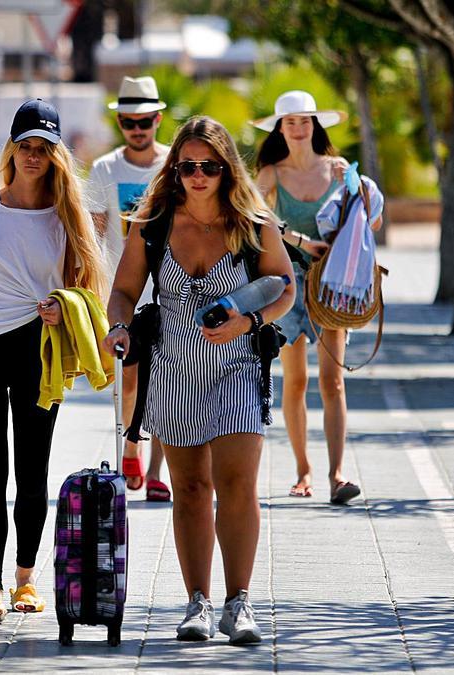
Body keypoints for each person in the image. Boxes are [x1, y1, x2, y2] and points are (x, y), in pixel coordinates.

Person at [104, 116, 295, 644]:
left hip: (238, 369)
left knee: (237, 484)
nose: (197, 175)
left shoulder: (254, 223)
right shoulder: (155, 223)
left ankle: (240, 603)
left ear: (227, 168)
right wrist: (118, 328)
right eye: (187, 165)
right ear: (176, 168)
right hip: (172, 372)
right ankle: (197, 603)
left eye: (209, 165)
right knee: (189, 488)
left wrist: (249, 321)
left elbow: (284, 289)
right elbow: (123, 290)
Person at [0, 99, 107, 626]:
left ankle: (26, 581)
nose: (33, 156)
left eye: (43, 148)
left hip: (41, 345)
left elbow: (88, 286)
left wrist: (64, 305)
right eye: (25, 146)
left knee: (33, 470)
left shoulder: (66, 214)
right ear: (11, 149)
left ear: (56, 154)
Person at [252, 90, 371, 506]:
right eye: (290, 122)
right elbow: (251, 216)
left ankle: (338, 474)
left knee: (333, 380)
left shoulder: (337, 170)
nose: (299, 129)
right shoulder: (270, 174)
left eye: (305, 121)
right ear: (279, 129)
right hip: (285, 284)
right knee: (296, 380)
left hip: (330, 286)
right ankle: (303, 469)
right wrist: (297, 238)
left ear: (315, 126)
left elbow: (365, 217)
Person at [86, 75, 172, 502]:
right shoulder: (105, 169)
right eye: (128, 122)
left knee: (170, 381)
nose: (137, 129)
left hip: (175, 292)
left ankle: (157, 469)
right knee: (133, 380)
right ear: (120, 123)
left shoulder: (178, 164)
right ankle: (131, 444)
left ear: (158, 119)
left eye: (144, 121)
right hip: (124, 294)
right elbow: (96, 238)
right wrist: (94, 294)